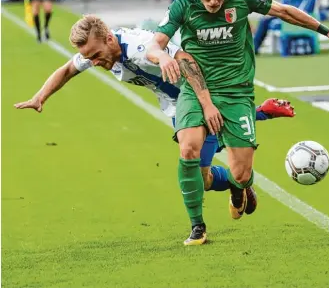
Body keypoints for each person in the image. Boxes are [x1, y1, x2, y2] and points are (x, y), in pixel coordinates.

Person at [14, 15, 295, 239]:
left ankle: (251, 139)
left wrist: (163, 59)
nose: (94, 63)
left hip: (202, 92)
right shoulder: (100, 52)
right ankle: (238, 180)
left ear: (110, 39)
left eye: (96, 56)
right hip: (175, 106)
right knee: (204, 180)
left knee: (196, 154)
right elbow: (66, 70)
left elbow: (182, 58)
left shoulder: (138, 46)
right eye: (89, 59)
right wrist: (40, 97)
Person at [147, 0, 329, 245]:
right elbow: (154, 45)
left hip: (237, 90)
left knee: (241, 174)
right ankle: (198, 226)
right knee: (189, 149)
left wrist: (325, 30)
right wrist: (164, 56)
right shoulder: (184, 3)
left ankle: (239, 187)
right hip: (197, 88)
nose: (213, 2)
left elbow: (283, 11)